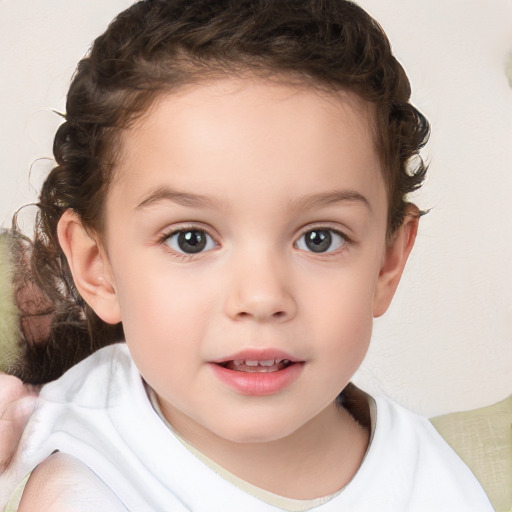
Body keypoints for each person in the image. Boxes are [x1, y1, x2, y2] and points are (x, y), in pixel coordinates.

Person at [0, 0, 494, 510]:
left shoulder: (434, 482)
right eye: (190, 239)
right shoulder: (81, 475)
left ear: (387, 263)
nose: (261, 297)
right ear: (96, 267)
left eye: (319, 238)